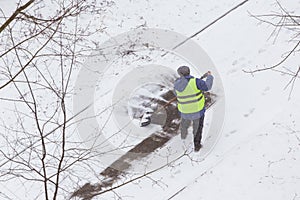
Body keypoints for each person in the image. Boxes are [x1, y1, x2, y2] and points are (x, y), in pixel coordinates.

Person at [174, 66, 214, 152]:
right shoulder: (196, 82)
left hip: (184, 111)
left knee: (185, 123)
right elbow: (207, 87)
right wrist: (209, 77)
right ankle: (197, 145)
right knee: (198, 128)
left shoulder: (176, 84)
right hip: (197, 111)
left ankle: (183, 135)